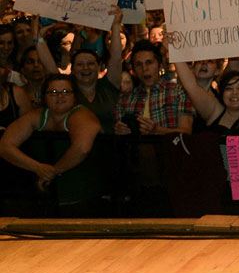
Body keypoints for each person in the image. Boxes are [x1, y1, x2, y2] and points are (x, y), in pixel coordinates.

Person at [0, 75, 102, 203]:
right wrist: (37, 168)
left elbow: (82, 149)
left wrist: (52, 172)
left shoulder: (82, 115)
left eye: (66, 92)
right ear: (44, 96)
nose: (60, 96)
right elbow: (5, 146)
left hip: (85, 194)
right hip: (49, 196)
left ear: (75, 95)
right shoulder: (37, 115)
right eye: (53, 92)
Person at [175, 49, 239, 136]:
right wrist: (173, 49)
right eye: (228, 88)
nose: (234, 92)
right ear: (222, 94)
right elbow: (191, 87)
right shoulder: (214, 112)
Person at [114, 40, 194, 136]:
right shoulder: (125, 100)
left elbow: (186, 132)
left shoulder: (178, 92)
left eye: (149, 62)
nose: (144, 68)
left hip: (169, 150)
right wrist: (119, 131)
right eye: (139, 64)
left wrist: (158, 131)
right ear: (134, 70)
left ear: (159, 65)